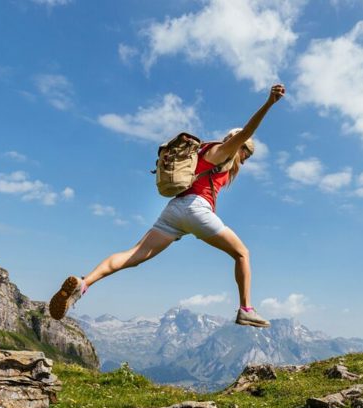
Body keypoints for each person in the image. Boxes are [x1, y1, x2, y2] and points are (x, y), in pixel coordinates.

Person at [48, 84, 286, 327]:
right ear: (240, 147)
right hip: (196, 208)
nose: (243, 161)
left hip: (174, 211)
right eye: (246, 155)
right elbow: (247, 131)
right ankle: (246, 309)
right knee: (242, 253)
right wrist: (269, 103)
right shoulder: (224, 151)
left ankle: (83, 283)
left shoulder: (203, 152)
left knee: (133, 255)